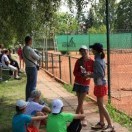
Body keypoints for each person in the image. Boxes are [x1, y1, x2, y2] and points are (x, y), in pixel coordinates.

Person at [88, 43, 114, 132]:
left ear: (95, 51)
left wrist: (89, 75)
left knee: (101, 105)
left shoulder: (97, 61)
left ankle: (110, 125)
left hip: (100, 84)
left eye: (92, 49)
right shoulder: (101, 59)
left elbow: (100, 74)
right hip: (101, 84)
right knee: (100, 105)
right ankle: (101, 123)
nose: (91, 50)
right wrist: (91, 74)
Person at [73, 45, 94, 126]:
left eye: (84, 50)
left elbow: (93, 72)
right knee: (79, 102)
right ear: (80, 52)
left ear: (87, 51)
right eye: (81, 51)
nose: (83, 52)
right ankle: (83, 118)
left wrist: (88, 74)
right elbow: (74, 72)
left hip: (85, 84)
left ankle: (74, 119)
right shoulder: (78, 61)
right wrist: (81, 74)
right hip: (78, 83)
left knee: (80, 102)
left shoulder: (92, 61)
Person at [23, 36, 41, 101]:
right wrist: (39, 54)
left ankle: (28, 99)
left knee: (28, 85)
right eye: (31, 40)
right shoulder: (29, 49)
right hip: (32, 68)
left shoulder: (24, 48)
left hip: (27, 67)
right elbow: (38, 57)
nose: (32, 41)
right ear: (29, 41)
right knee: (33, 85)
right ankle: (32, 100)